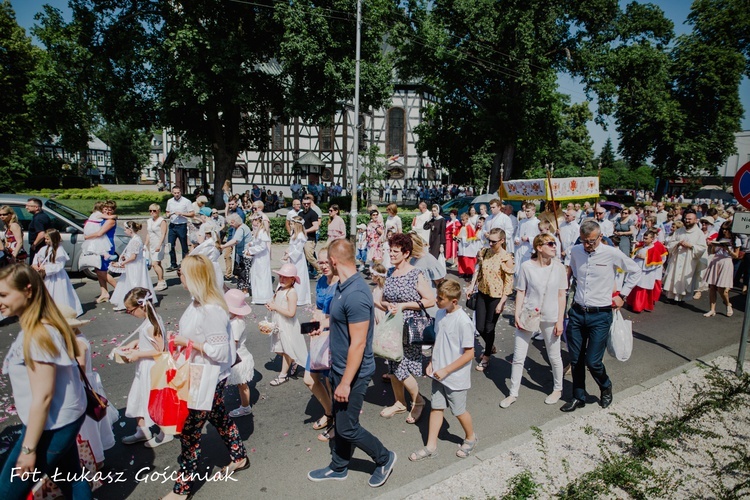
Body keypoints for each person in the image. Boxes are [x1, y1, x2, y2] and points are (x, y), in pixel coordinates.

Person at [307, 239, 397, 486]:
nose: (324, 266)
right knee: (341, 420)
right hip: (339, 366)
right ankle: (339, 467)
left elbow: (358, 344)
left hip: (353, 373)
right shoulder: (342, 286)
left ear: (334, 261)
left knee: (347, 428)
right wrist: (322, 326)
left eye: (327, 261)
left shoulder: (356, 293)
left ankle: (384, 457)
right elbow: (339, 320)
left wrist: (345, 383)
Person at [0, 264, 91, 498]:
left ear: (27, 291)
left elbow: (43, 397)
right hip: (64, 417)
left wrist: (28, 449)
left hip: (51, 424)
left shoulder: (37, 333)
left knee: (7, 492)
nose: (0, 301)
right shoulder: (45, 323)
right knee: (73, 477)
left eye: (4, 294)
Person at [166, 255, 249, 498]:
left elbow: (221, 352)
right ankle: (239, 455)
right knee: (220, 417)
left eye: (182, 272)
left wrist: (187, 342)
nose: (179, 276)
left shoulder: (213, 309)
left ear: (193, 277)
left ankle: (182, 489)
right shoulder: (196, 303)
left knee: (189, 432)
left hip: (209, 377)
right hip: (197, 372)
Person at [562, 220, 642, 412]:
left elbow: (635, 270)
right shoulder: (576, 251)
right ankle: (578, 396)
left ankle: (605, 386)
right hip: (578, 311)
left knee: (593, 361)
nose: (587, 245)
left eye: (590, 241)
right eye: (583, 241)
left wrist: (623, 295)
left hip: (600, 314)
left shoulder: (611, 253)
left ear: (599, 237)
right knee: (576, 359)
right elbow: (572, 274)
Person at [408, 280, 477, 462]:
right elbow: (439, 342)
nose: (437, 301)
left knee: (458, 410)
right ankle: (431, 446)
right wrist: (432, 361)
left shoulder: (464, 322)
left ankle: (470, 437)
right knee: (436, 408)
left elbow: (469, 354)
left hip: (454, 376)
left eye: (441, 298)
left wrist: (446, 370)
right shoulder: (440, 314)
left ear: (454, 301)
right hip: (439, 373)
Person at [501, 234, 567, 408]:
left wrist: (560, 321)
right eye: (550, 243)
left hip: (551, 315)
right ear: (539, 247)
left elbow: (562, 295)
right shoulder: (526, 267)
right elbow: (521, 292)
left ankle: (557, 389)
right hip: (529, 313)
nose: (554, 246)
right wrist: (517, 314)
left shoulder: (559, 268)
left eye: (555, 244)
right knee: (518, 356)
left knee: (554, 356)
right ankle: (513, 393)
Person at [377, 233, 436, 423]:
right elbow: (384, 299)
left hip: (409, 326)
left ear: (406, 253)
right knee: (393, 365)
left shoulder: (414, 274)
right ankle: (400, 402)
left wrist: (404, 305)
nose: (391, 254)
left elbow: (429, 300)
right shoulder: (390, 273)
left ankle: (418, 402)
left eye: (395, 251)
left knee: (402, 366)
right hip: (392, 325)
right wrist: (388, 306)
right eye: (390, 250)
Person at [116, 288, 173, 448]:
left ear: (141, 306)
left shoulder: (151, 325)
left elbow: (161, 350)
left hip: (152, 368)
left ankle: (165, 433)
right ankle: (142, 430)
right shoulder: (149, 321)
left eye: (130, 310)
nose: (129, 313)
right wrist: (136, 343)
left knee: (151, 401)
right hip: (145, 367)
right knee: (138, 397)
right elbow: (149, 340)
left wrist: (138, 354)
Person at [64, 305, 117, 469]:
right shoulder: (78, 337)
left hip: (82, 387)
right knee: (90, 425)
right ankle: (92, 456)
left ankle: (95, 458)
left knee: (88, 426)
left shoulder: (78, 343)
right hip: (88, 383)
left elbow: (80, 370)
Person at [466, 228, 514, 371]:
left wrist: (502, 302)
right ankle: (490, 344)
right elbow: (478, 270)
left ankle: (486, 355)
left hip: (497, 296)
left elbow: (508, 282)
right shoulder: (485, 252)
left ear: (502, 241)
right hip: (482, 292)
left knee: (489, 327)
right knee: (479, 327)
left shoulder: (506, 258)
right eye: (489, 240)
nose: (491, 243)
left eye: (494, 241)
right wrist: (471, 286)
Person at [305, 248, 337, 441]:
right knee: (310, 379)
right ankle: (329, 412)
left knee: (331, 382)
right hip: (319, 335)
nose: (322, 266)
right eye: (320, 262)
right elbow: (318, 308)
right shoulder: (321, 282)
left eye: (326, 262)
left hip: (334, 336)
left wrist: (323, 320)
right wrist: (314, 320)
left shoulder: (341, 284)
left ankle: (336, 423)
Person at [265, 263, 308, 385]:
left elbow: (291, 313)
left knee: (286, 350)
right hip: (278, 323)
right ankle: (293, 360)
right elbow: (276, 301)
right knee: (279, 348)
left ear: (293, 279)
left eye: (286, 277)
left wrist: (276, 307)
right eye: (281, 276)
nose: (282, 279)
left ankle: (283, 375)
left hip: (287, 325)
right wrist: (271, 304)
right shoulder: (280, 288)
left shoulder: (291, 292)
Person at [32, 229, 83, 317]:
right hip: (46, 276)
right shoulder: (44, 248)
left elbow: (60, 265)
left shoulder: (59, 250)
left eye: (48, 239)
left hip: (57, 277)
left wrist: (46, 268)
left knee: (58, 293)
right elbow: (37, 257)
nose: (46, 241)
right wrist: (35, 264)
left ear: (54, 239)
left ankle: (61, 312)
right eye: (45, 239)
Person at [109, 221, 158, 311]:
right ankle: (129, 302)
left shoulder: (135, 240)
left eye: (125, 229)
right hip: (133, 265)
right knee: (126, 283)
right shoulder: (135, 239)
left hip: (135, 267)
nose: (124, 231)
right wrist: (124, 257)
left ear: (130, 230)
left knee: (133, 283)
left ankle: (132, 302)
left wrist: (120, 264)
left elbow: (133, 257)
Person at [662, 210, 708, 302]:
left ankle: (682, 298)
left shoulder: (699, 233)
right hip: (677, 257)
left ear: (695, 220)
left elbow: (702, 248)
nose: (687, 221)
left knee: (684, 278)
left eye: (689, 219)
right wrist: (677, 243)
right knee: (673, 276)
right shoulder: (679, 231)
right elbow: (671, 243)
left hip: (689, 259)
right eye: (686, 219)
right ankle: (671, 297)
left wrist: (690, 246)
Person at [225, 289, 256, 417]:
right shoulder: (232, 319)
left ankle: (245, 407)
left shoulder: (237, 323)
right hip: (236, 356)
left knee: (242, 385)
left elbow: (234, 342)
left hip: (239, 358)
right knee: (240, 384)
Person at [85, 201, 119, 304]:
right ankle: (104, 293)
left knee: (102, 271)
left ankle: (121, 289)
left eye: (110, 209)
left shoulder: (111, 220)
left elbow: (100, 233)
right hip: (99, 245)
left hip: (106, 247)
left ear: (113, 210)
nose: (108, 211)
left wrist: (87, 237)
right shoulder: (104, 217)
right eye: (106, 209)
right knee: (98, 269)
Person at [703, 222, 740, 318]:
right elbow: (713, 252)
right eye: (723, 229)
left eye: (726, 229)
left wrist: (727, 249)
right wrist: (713, 245)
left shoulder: (736, 240)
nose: (724, 231)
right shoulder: (720, 238)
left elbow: (736, 256)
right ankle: (712, 309)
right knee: (712, 287)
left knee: (721, 288)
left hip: (726, 262)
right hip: (716, 261)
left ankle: (728, 304)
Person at [627, 229, 668, 313]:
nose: (644, 240)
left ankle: (638, 306)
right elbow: (634, 256)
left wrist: (644, 258)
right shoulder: (641, 246)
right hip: (638, 271)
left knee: (641, 290)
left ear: (652, 239)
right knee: (635, 287)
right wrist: (636, 256)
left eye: (646, 238)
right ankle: (631, 303)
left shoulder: (654, 250)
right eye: (644, 238)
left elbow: (657, 263)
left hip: (646, 273)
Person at [221, 213, 253, 296]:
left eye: (231, 223)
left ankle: (245, 291)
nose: (230, 225)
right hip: (240, 252)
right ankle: (241, 289)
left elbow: (236, 240)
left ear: (235, 221)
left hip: (245, 253)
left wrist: (224, 246)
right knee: (239, 272)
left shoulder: (241, 228)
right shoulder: (237, 228)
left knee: (244, 272)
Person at [244, 213, 273, 304]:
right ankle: (258, 297)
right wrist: (251, 244)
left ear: (258, 221)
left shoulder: (262, 231)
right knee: (257, 275)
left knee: (262, 275)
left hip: (262, 257)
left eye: (253, 221)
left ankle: (263, 297)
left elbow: (262, 246)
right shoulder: (258, 231)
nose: (252, 223)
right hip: (258, 257)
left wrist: (251, 251)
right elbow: (257, 241)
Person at [165, 186, 195, 272]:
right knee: (170, 245)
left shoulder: (186, 201)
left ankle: (184, 263)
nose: (177, 194)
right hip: (172, 225)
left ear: (180, 192)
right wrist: (168, 214)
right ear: (172, 193)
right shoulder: (170, 201)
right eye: (175, 193)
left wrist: (182, 214)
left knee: (184, 245)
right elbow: (167, 211)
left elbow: (192, 214)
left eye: (178, 193)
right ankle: (173, 264)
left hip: (181, 225)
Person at [284, 217, 312, 306]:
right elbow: (293, 247)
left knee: (298, 276)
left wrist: (289, 254)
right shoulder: (294, 234)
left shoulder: (300, 236)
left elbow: (298, 251)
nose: (290, 225)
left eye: (292, 224)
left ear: (297, 225)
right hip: (293, 259)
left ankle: (300, 298)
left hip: (298, 261)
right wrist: (288, 251)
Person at [189, 223, 224, 293]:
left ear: (207, 234)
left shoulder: (208, 244)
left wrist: (193, 247)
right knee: (218, 286)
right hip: (216, 266)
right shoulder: (216, 242)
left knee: (210, 288)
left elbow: (198, 255)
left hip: (209, 266)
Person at [146, 204, 168, 291]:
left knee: (154, 264)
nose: (152, 212)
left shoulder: (162, 221)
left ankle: (161, 281)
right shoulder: (149, 221)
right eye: (150, 211)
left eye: (154, 211)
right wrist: (145, 244)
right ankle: (161, 280)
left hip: (159, 244)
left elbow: (163, 234)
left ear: (158, 211)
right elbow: (148, 233)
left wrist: (159, 244)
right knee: (158, 263)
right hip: (152, 244)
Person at [514, 202, 540, 273]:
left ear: (534, 211)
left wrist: (528, 239)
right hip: (519, 248)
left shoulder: (537, 223)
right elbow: (517, 234)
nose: (526, 213)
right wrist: (516, 240)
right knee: (518, 270)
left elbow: (539, 238)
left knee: (528, 271)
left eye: (528, 211)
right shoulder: (522, 222)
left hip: (529, 249)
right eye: (525, 211)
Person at [301, 195, 322, 278]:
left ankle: (321, 270)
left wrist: (305, 231)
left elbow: (316, 227)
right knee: (302, 257)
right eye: (305, 204)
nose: (306, 205)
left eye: (308, 204)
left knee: (309, 257)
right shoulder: (300, 213)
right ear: (302, 204)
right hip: (301, 239)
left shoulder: (313, 213)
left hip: (310, 239)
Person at [26, 198, 52, 265]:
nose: (26, 207)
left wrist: (34, 245)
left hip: (39, 247)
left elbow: (41, 234)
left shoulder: (38, 219)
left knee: (35, 266)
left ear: (36, 207)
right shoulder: (42, 216)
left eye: (29, 206)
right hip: (42, 247)